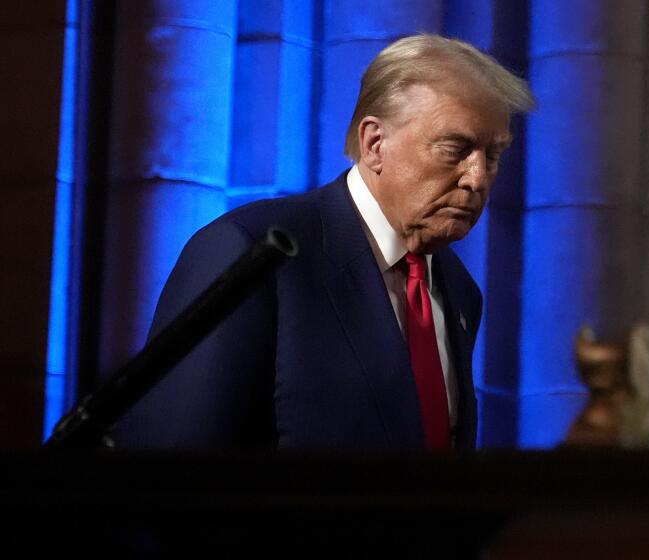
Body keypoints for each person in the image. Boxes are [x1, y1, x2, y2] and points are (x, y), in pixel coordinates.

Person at [113, 34, 534, 451]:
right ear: (374, 144)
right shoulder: (252, 253)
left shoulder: (459, 291)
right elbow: (168, 473)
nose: (477, 178)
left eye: (492, 156)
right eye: (454, 149)